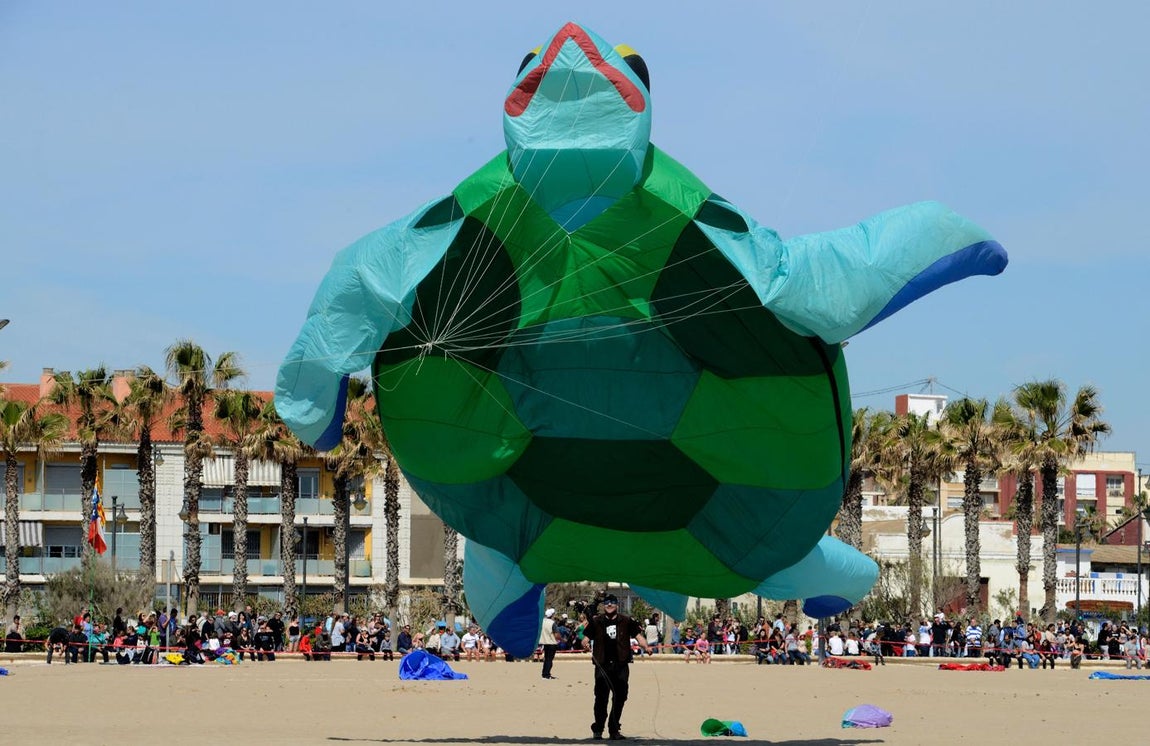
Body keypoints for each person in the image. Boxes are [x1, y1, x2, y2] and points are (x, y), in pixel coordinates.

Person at [581, 594, 649, 741]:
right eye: (607, 602)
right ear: (603, 605)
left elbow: (638, 636)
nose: (609, 605)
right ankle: (598, 728)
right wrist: (585, 644)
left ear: (617, 605)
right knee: (601, 698)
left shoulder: (626, 620)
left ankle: (614, 729)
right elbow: (585, 639)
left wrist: (646, 647)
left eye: (612, 602)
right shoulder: (596, 621)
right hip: (602, 665)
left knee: (620, 697)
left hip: (621, 665)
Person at [540, 608, 559, 679]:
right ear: (552, 615)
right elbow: (556, 635)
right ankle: (547, 675)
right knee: (549, 660)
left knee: (546, 659)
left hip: (545, 643)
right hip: (552, 643)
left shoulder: (542, 622)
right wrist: (563, 640)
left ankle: (544, 674)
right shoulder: (552, 623)